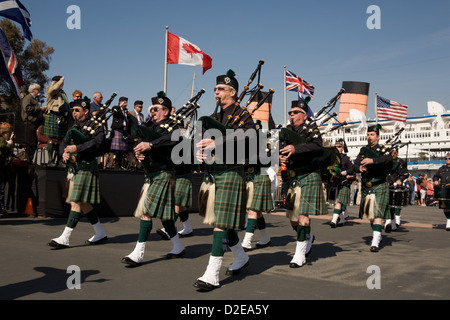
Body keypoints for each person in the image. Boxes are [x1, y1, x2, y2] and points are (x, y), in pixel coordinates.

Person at [193, 70, 254, 291]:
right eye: (215, 89)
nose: (216, 92)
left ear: (232, 92)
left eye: (220, 89)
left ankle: (212, 274)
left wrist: (216, 143)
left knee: (220, 223)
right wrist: (199, 152)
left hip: (230, 172)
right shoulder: (215, 116)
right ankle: (241, 257)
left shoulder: (243, 114)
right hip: (214, 173)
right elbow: (201, 141)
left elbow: (250, 136)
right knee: (224, 223)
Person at [122, 91, 185, 266]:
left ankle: (138, 253)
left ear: (166, 111)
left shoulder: (174, 125)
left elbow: (175, 138)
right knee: (165, 217)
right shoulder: (151, 126)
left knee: (146, 212)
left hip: (163, 173)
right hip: (151, 174)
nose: (153, 112)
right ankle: (178, 246)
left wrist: (150, 144)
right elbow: (142, 142)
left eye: (156, 109)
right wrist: (140, 153)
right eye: (152, 109)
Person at [48, 99, 107, 249]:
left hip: (87, 166)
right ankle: (100, 232)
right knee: (83, 203)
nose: (74, 113)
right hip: (74, 167)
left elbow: (98, 143)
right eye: (73, 110)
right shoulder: (73, 126)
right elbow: (63, 143)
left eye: (77, 110)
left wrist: (77, 148)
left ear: (86, 111)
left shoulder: (96, 125)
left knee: (75, 201)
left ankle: (65, 238)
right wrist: (64, 154)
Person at [279, 100, 328, 268]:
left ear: (304, 115)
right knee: (293, 219)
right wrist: (281, 157)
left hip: (308, 175)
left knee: (302, 217)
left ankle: (299, 254)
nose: (291, 115)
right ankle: (308, 237)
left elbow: (317, 147)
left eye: (295, 112)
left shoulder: (312, 130)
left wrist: (295, 149)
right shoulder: (286, 132)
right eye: (290, 113)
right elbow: (281, 149)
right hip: (292, 178)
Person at [353, 124, 394, 252]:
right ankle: (378, 234)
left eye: (372, 135)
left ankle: (375, 241)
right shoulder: (363, 150)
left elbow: (388, 159)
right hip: (367, 185)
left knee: (377, 214)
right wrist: (359, 168)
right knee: (370, 215)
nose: (369, 137)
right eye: (368, 135)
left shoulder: (383, 149)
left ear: (378, 137)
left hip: (379, 184)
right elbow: (355, 163)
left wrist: (372, 161)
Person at [42, 75, 70, 167]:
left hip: (61, 116)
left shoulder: (62, 92)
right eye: (59, 82)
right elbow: (54, 88)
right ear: (55, 82)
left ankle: (59, 160)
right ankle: (50, 160)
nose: (62, 84)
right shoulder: (50, 88)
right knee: (52, 139)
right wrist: (60, 81)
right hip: (53, 115)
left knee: (60, 140)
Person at [330, 139, 354, 228]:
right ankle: (342, 219)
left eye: (339, 147)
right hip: (335, 182)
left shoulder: (346, 158)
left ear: (342, 148)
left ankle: (333, 220)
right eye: (335, 147)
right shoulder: (332, 158)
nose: (337, 148)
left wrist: (346, 172)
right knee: (336, 202)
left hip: (343, 182)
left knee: (338, 202)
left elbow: (352, 169)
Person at [386, 147, 409, 231]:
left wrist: (401, 180)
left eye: (395, 152)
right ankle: (390, 222)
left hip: (397, 184)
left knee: (396, 203)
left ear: (398, 153)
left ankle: (397, 220)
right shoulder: (387, 161)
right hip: (387, 184)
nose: (393, 154)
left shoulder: (400, 162)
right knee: (388, 205)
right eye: (392, 152)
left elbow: (406, 174)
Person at [21, 83, 44, 162]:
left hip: (35, 123)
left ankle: (30, 159)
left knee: (34, 142)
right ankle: (28, 160)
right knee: (30, 142)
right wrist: (39, 108)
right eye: (38, 90)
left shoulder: (35, 99)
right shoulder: (28, 98)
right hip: (29, 122)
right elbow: (27, 108)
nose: (39, 91)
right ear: (33, 90)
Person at [110, 97, 132, 169]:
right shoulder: (117, 109)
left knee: (122, 150)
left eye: (126, 102)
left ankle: (119, 165)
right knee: (117, 150)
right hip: (118, 130)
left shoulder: (125, 111)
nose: (126, 103)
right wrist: (120, 106)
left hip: (124, 131)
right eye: (124, 102)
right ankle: (115, 165)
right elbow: (113, 109)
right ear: (120, 102)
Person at [433, 154, 450, 231]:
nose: (447, 160)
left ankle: (449, 222)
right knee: (445, 208)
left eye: (449, 158)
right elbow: (435, 176)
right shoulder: (441, 169)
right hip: (444, 189)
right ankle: (449, 220)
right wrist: (436, 180)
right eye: (446, 158)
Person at [0, 123, 14, 216]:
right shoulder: (1, 139)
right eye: (8, 133)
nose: (9, 134)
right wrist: (9, 143)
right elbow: (3, 147)